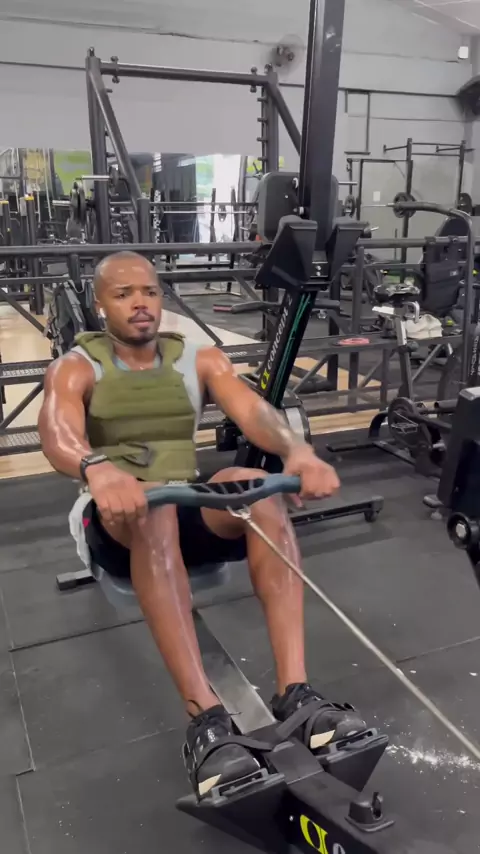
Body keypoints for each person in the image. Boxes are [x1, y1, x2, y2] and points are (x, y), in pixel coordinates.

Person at [38, 251, 366, 799]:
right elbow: (56, 432)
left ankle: (297, 694)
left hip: (181, 502)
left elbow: (253, 411)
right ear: (100, 305)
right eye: (123, 294)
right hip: (115, 518)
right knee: (156, 508)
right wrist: (97, 467)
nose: (140, 303)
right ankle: (206, 721)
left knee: (255, 487)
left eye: (149, 291)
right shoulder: (77, 366)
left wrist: (297, 452)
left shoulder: (198, 357)